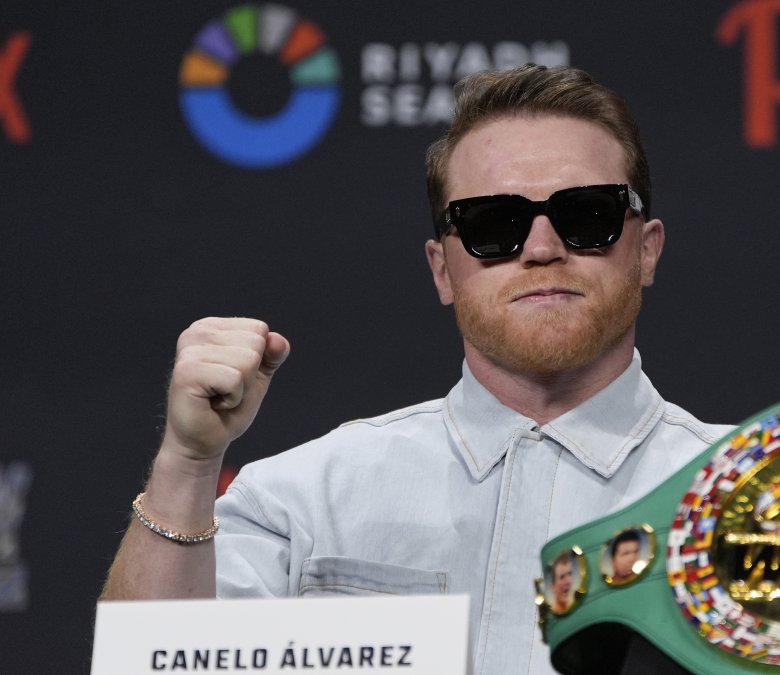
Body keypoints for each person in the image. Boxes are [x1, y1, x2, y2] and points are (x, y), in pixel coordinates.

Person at [100, 65, 730, 675]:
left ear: (646, 250)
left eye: (587, 215)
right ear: (441, 270)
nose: (542, 249)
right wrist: (187, 464)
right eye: (493, 224)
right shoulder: (300, 501)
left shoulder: (749, 499)